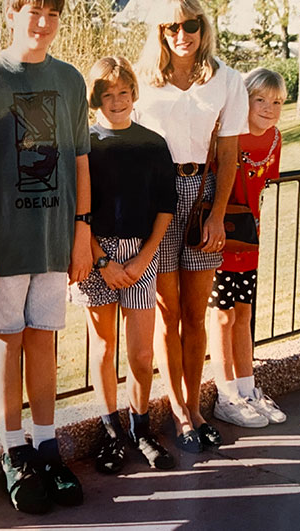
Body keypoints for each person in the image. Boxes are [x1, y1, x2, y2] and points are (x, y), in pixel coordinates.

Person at [0, 0, 91, 514]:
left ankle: (46, 443)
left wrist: (82, 230)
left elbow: (81, 158)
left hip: (55, 238)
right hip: (2, 241)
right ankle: (12, 449)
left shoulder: (69, 80)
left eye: (52, 15)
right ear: (11, 14)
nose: (41, 24)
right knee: (6, 339)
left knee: (44, 340)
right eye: (32, 13)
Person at [133, 0, 248, 453]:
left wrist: (218, 214)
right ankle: (178, 411)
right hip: (155, 200)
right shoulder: (142, 80)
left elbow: (227, 151)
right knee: (168, 311)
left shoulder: (227, 80)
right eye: (171, 27)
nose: (182, 36)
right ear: (160, 32)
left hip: (201, 197)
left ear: (204, 28)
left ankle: (197, 408)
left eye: (191, 26)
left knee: (195, 314)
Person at [71, 56, 177, 474]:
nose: (116, 101)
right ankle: (111, 431)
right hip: (94, 253)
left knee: (139, 349)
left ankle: (141, 427)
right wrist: (101, 260)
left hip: (140, 254)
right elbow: (77, 209)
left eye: (123, 92)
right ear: (95, 99)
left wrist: (145, 255)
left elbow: (166, 207)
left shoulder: (152, 142)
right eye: (106, 94)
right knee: (103, 345)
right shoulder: (85, 144)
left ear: (134, 93)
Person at [209, 67, 288, 427]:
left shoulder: (274, 139)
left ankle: (248, 387)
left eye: (277, 102)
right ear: (244, 99)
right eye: (260, 100)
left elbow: (265, 181)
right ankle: (226, 393)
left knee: (243, 313)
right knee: (222, 314)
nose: (268, 108)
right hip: (219, 234)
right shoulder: (228, 135)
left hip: (248, 239)